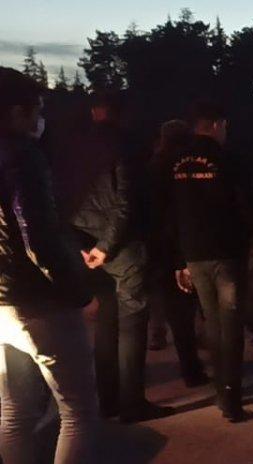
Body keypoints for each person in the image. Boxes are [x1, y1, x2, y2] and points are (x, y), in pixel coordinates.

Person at [0, 67, 124, 464]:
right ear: (16, 112)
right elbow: (38, 239)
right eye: (36, 109)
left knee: (12, 414)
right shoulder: (21, 157)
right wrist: (79, 294)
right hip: (40, 303)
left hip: (2, 303)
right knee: (78, 409)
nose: (41, 118)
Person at [70, 93, 171, 422]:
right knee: (132, 322)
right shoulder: (128, 146)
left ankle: (108, 399)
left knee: (106, 323)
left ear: (94, 112)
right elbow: (126, 202)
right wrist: (107, 246)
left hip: (87, 247)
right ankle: (132, 402)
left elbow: (62, 199)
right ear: (122, 114)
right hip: (121, 247)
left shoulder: (75, 147)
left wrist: (81, 245)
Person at [168, 101, 253, 422]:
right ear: (218, 125)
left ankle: (221, 391)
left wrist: (180, 259)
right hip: (227, 254)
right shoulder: (228, 159)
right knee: (231, 327)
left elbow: (170, 213)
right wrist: (244, 239)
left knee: (212, 323)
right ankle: (231, 401)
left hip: (194, 255)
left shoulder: (177, 162)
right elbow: (249, 207)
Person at [146, 119, 207, 387]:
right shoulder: (184, 169)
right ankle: (194, 368)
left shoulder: (153, 167)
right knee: (188, 310)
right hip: (184, 247)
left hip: (158, 250)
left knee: (173, 310)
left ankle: (189, 365)